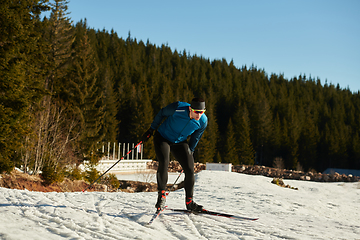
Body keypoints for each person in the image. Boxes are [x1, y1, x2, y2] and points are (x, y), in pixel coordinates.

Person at [142, 97, 208, 212]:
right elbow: (162, 112)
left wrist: (190, 151)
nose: (199, 115)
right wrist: (151, 129)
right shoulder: (178, 108)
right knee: (164, 162)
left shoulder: (203, 121)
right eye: (196, 112)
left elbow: (196, 136)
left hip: (180, 142)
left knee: (190, 169)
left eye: (201, 112)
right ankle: (161, 197)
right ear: (190, 108)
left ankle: (189, 202)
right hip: (162, 138)